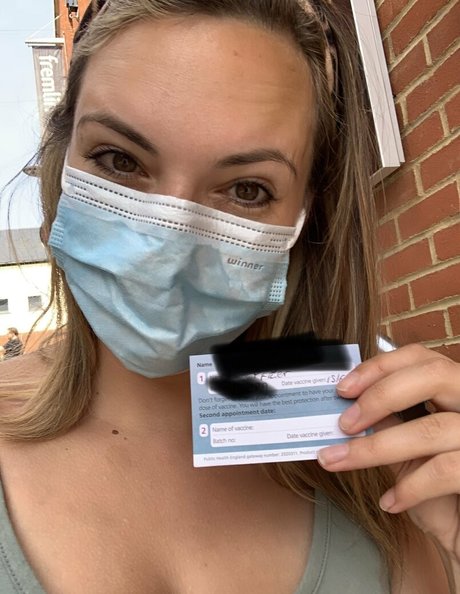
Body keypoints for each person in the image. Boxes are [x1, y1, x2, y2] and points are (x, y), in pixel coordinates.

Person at [0, 1, 458, 592]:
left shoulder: (388, 467)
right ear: (61, 158)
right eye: (119, 160)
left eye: (246, 190)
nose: (167, 250)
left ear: (304, 216)